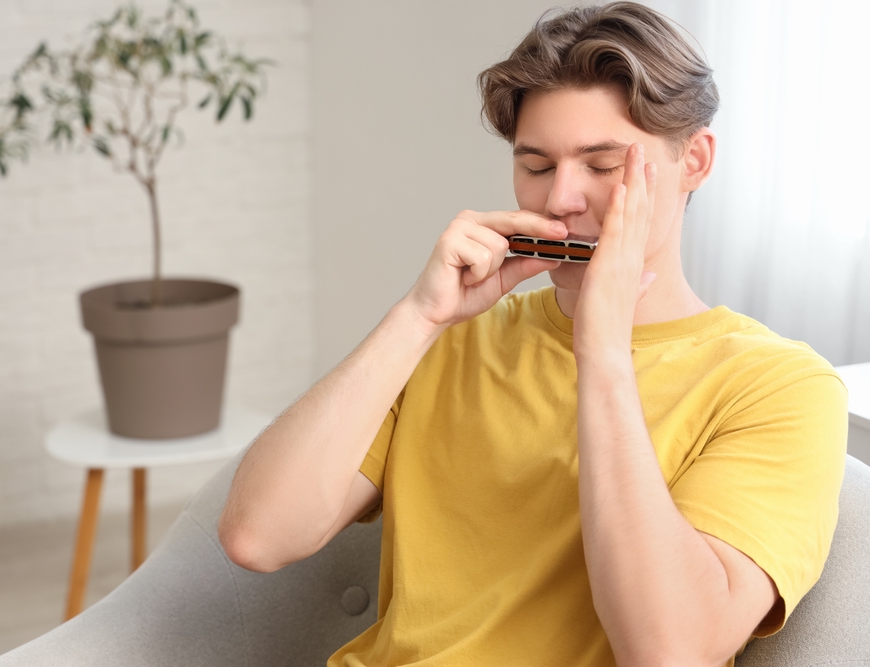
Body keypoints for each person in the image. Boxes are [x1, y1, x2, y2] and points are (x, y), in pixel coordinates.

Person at [217, 3, 850, 665]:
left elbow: (671, 649)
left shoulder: (780, 388)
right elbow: (257, 535)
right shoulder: (454, 339)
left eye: (603, 165)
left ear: (694, 159)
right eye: (539, 166)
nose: (560, 201)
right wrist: (418, 317)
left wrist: (603, 351)